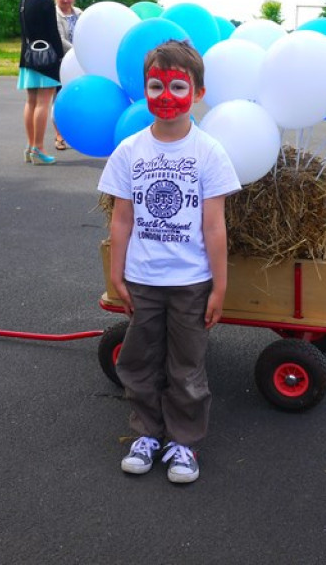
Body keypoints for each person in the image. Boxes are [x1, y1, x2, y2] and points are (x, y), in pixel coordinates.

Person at [98, 40, 241, 484]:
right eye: (155, 85)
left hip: (191, 282)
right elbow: (121, 220)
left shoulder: (209, 153)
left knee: (186, 365)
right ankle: (146, 434)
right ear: (144, 90)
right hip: (142, 279)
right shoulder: (129, 152)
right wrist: (115, 273)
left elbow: (214, 227)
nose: (165, 94)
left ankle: (183, 443)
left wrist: (219, 286)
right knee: (139, 360)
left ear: (197, 93)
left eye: (177, 85)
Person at [17, 0, 64, 165]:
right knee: (44, 102)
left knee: (31, 102)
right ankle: (39, 148)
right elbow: (53, 33)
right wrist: (60, 57)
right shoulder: (45, 3)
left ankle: (30, 146)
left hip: (27, 57)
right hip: (46, 58)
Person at [52, 0, 82, 151]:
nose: (65, 0)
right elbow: (60, 39)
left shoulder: (79, 13)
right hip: (63, 62)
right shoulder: (55, 14)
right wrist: (78, 52)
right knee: (60, 99)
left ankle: (75, 133)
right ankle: (59, 135)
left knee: (77, 98)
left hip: (80, 63)